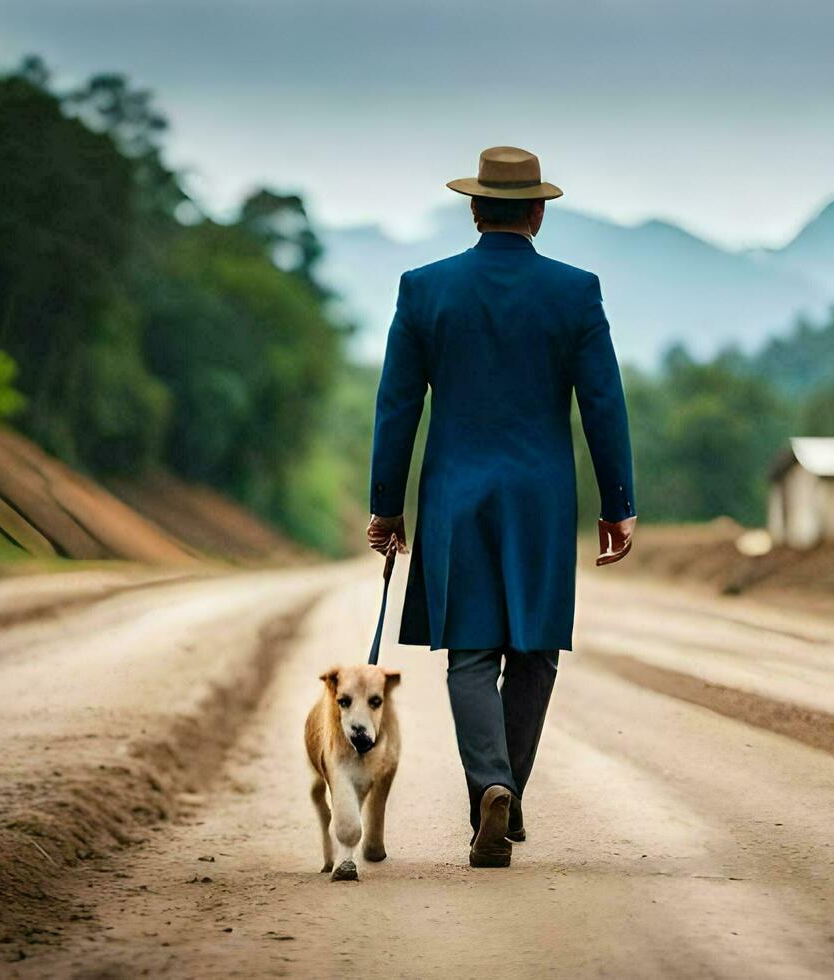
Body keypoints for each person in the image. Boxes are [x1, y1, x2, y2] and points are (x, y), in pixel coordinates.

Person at [366, 146, 636, 868]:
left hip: (455, 493)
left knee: (472, 652)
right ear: (539, 212)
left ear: (475, 207)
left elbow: (398, 405)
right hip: (542, 496)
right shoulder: (576, 292)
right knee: (536, 651)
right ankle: (505, 790)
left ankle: (490, 785)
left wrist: (386, 508)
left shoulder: (424, 289)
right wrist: (619, 505)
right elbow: (602, 404)